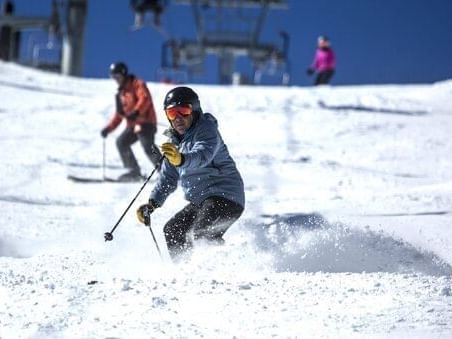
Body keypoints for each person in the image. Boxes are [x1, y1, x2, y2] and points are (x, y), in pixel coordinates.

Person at [136, 86, 245, 261]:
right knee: (173, 230)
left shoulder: (207, 130)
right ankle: (185, 272)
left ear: (194, 111)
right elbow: (168, 178)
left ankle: (225, 270)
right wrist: (152, 204)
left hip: (226, 196)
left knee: (202, 233)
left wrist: (181, 159)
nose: (178, 118)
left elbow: (202, 155)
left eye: (183, 111)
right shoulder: (174, 143)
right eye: (172, 113)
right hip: (201, 200)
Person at [100, 62, 162, 182]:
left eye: (117, 77)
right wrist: (108, 128)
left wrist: (136, 112)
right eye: (113, 78)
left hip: (145, 122)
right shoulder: (120, 95)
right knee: (121, 142)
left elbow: (145, 99)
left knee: (147, 145)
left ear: (124, 74)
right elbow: (119, 115)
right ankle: (134, 171)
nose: (116, 80)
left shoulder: (137, 84)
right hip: (133, 125)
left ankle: (165, 172)